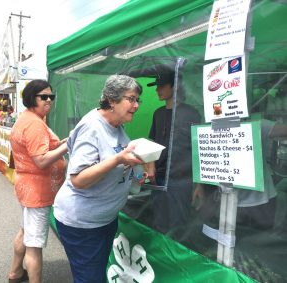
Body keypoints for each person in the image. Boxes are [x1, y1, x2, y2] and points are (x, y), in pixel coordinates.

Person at [53, 74, 144, 283]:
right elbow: (78, 179)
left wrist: (134, 168)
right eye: (131, 99)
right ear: (112, 100)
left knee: (94, 274)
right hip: (82, 224)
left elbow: (112, 163)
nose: (136, 105)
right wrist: (118, 159)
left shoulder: (117, 124)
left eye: (138, 100)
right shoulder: (92, 127)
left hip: (104, 220)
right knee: (90, 279)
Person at [8, 79, 68, 283]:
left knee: (25, 232)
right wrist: (67, 147)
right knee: (34, 244)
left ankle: (15, 273)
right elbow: (41, 160)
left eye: (51, 96)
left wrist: (62, 143)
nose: (49, 100)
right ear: (31, 98)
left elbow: (43, 148)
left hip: (28, 188)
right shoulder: (34, 124)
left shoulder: (28, 118)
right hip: (37, 192)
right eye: (44, 97)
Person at [146, 71, 201, 236]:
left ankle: (176, 257)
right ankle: (162, 257)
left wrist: (199, 184)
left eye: (162, 86)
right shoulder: (158, 113)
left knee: (179, 224)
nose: (157, 90)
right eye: (157, 86)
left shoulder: (191, 114)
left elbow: (199, 149)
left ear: (175, 86)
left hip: (181, 179)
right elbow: (152, 144)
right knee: (159, 220)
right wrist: (150, 167)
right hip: (159, 177)